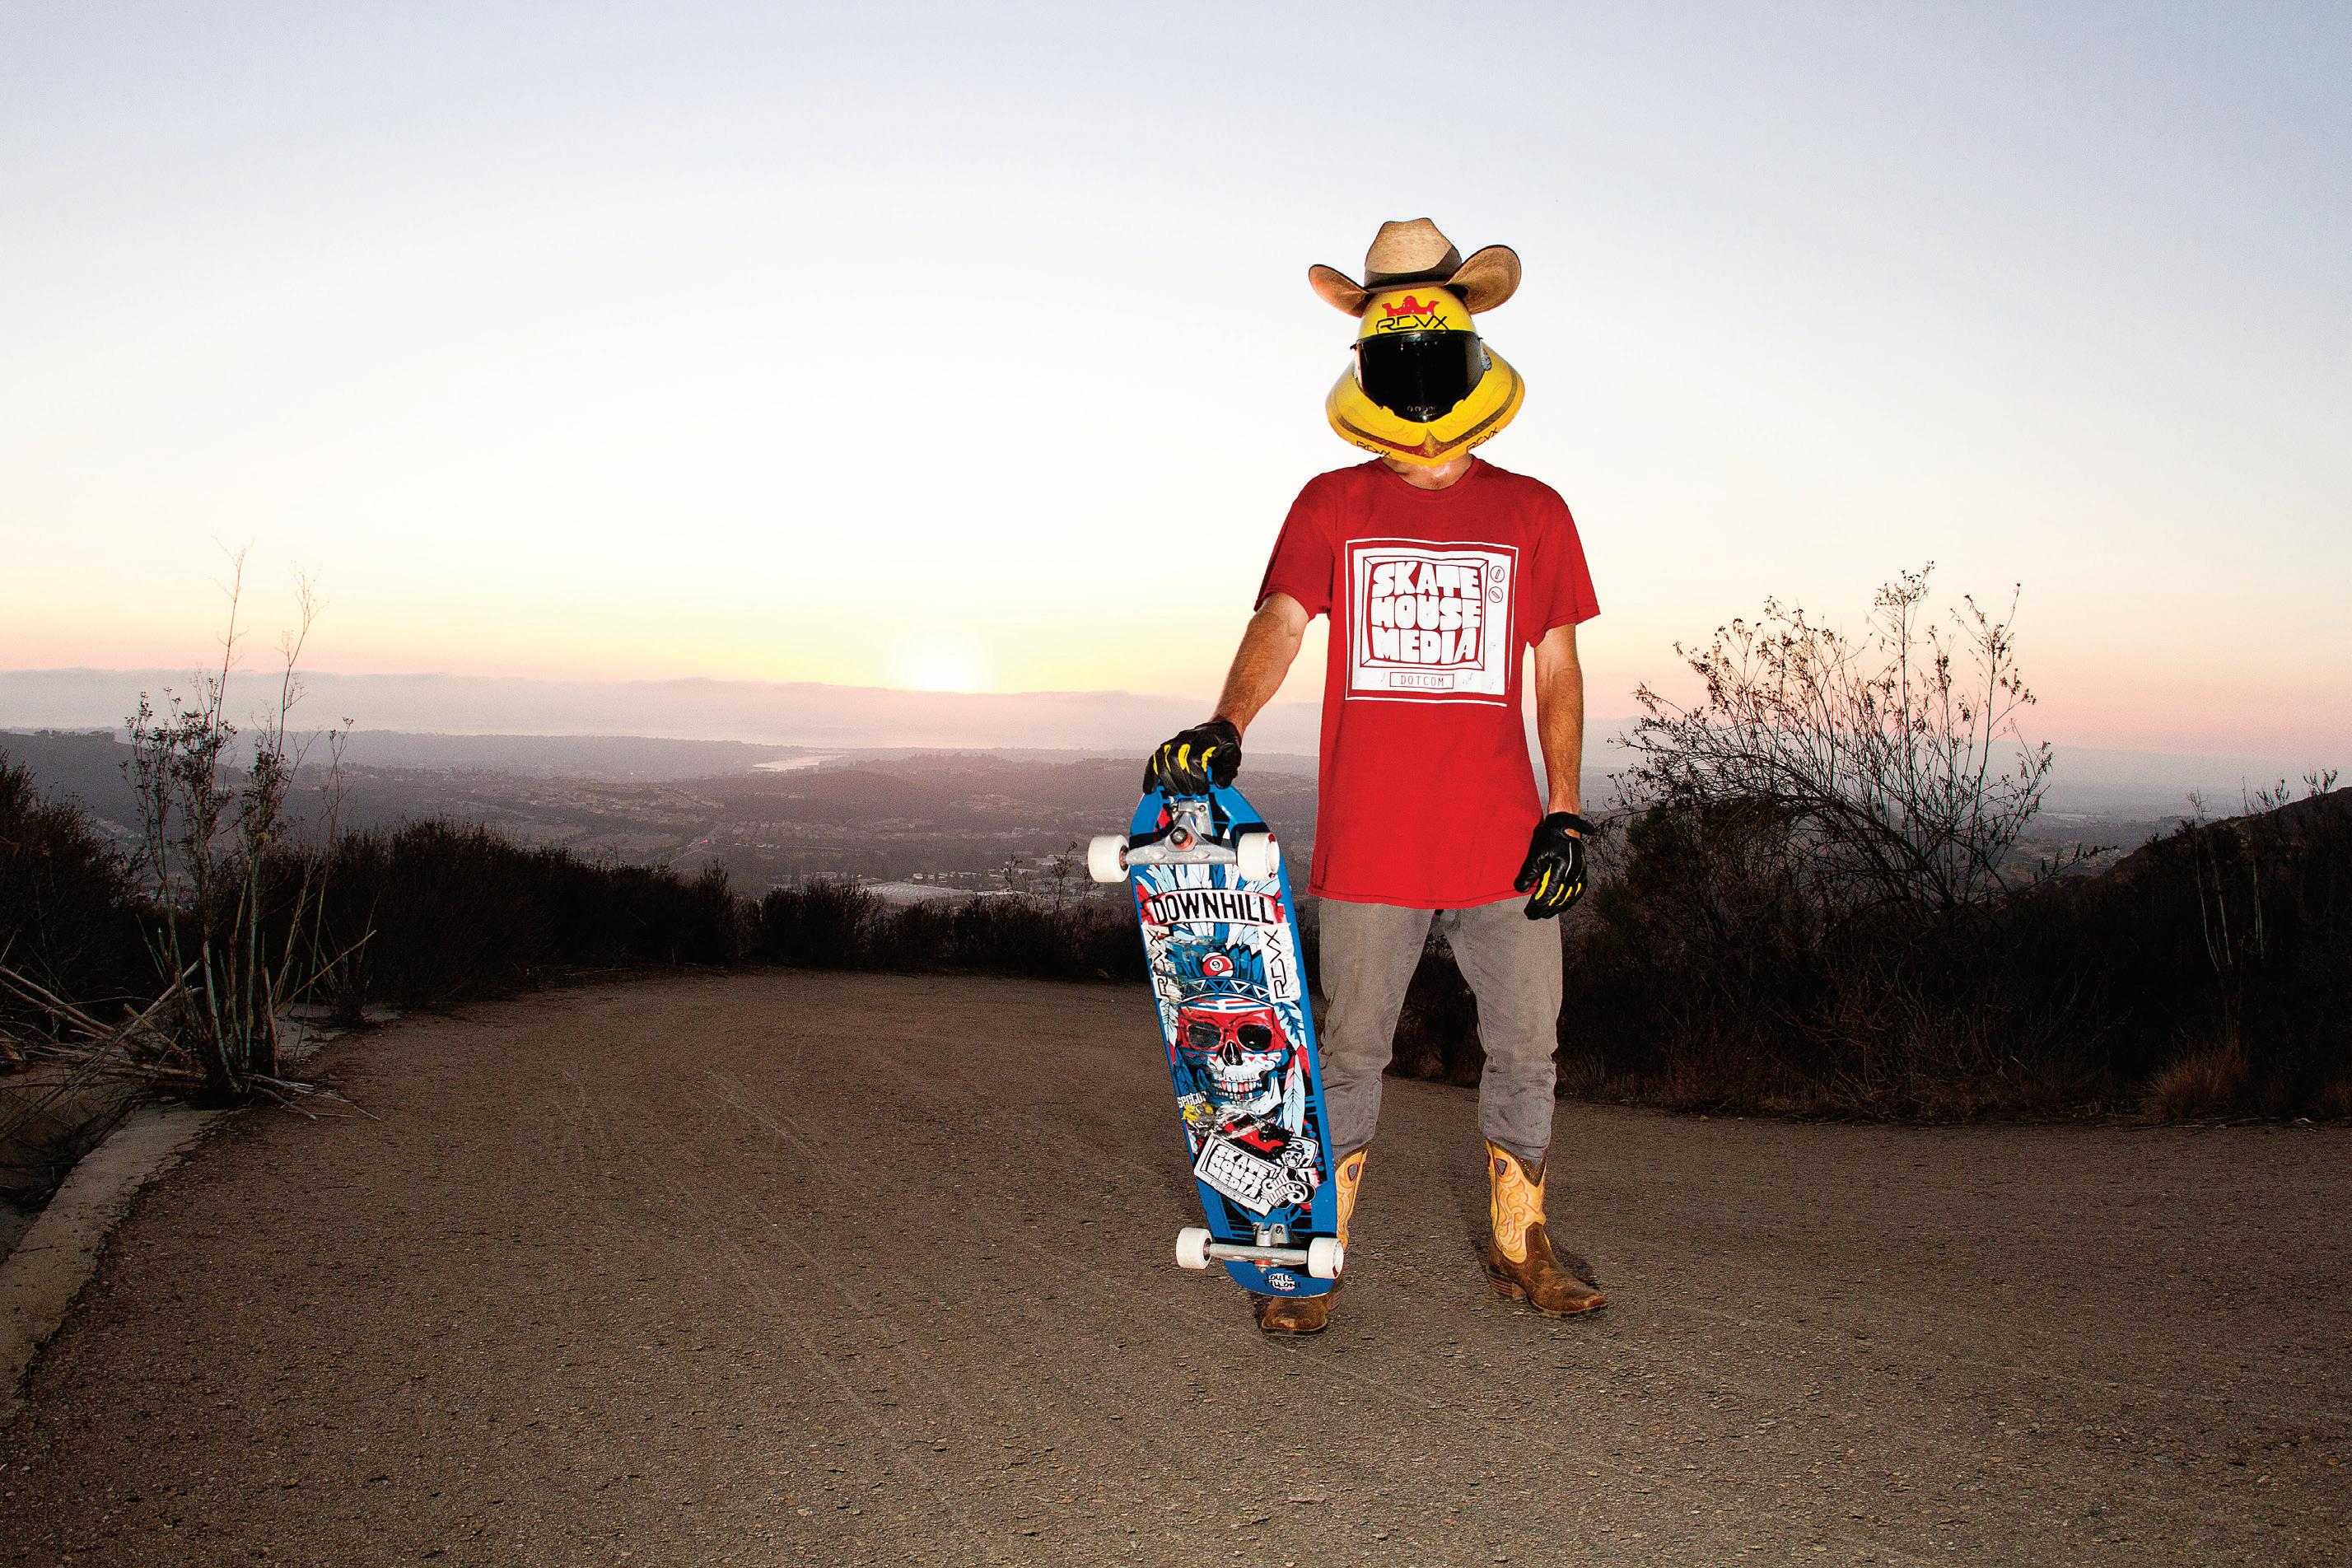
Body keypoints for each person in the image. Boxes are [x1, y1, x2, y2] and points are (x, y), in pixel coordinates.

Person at [1146, 218, 1607, 1335]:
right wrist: (1227, 721)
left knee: (1528, 1046)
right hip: (1374, 841)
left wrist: (1564, 814)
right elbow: (1281, 620)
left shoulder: (1534, 510)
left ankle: (1523, 1241)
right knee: (1348, 1051)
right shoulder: (1332, 502)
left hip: (1504, 841)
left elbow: (1558, 670)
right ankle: (1314, 1254)